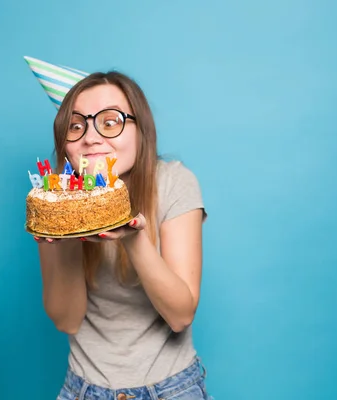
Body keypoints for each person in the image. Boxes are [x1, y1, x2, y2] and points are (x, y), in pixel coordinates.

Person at [31, 70, 211, 400]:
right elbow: (67, 321)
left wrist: (132, 236)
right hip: (84, 388)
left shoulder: (174, 182)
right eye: (76, 125)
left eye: (110, 122)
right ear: (66, 144)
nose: (91, 137)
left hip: (172, 388)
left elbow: (180, 315)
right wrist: (70, 230)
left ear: (141, 130)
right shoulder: (54, 198)